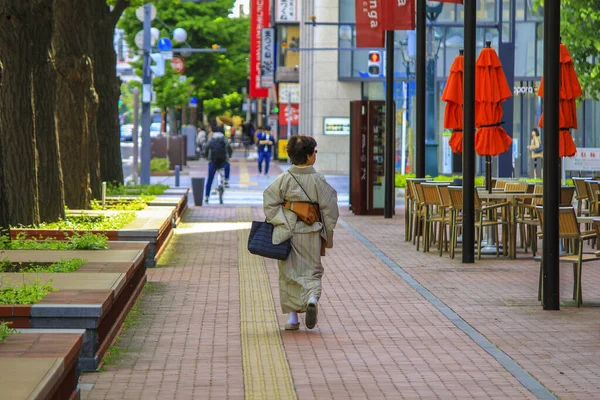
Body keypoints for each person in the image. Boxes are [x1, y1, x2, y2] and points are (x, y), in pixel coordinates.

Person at [263, 135, 339, 330]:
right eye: (314, 151)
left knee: (288, 272)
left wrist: (283, 221)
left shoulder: (284, 179)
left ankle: (292, 319)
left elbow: (269, 200)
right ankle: (312, 298)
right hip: (312, 231)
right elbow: (330, 206)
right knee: (312, 270)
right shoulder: (318, 179)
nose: (315, 155)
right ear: (307, 156)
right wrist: (327, 230)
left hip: (289, 233)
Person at [204, 125, 233, 203]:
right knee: (228, 164)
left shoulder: (211, 140)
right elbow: (230, 149)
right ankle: (226, 179)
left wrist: (206, 157)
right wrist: (229, 156)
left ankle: (206, 196)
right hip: (223, 161)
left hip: (213, 162)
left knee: (210, 179)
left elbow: (206, 149)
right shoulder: (224, 140)